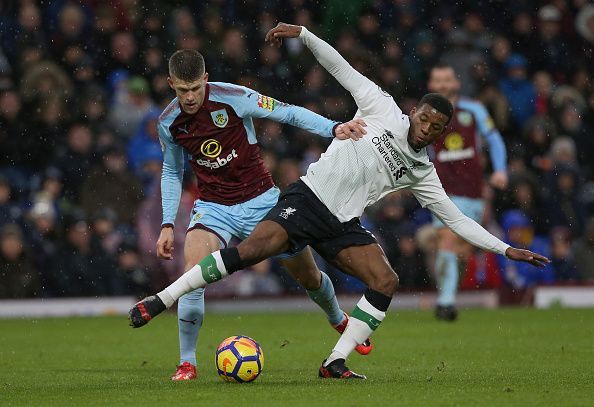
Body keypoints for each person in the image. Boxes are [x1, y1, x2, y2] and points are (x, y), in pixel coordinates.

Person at [130, 24, 549, 380]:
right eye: (424, 118)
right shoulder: (382, 108)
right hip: (306, 199)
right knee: (248, 253)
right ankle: (162, 306)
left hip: (339, 223)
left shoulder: (423, 173)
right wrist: (306, 35)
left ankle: (335, 360)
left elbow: (457, 219)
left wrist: (505, 248)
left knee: (381, 281)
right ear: (414, 111)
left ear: (440, 134)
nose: (426, 128)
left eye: (435, 127)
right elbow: (341, 68)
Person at [138, 49, 371, 381]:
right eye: (182, 90)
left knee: (308, 276)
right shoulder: (168, 122)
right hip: (213, 207)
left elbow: (287, 113)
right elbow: (172, 172)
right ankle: (187, 362)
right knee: (192, 277)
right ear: (170, 83)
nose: (189, 97)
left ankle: (337, 318)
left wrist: (333, 128)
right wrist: (166, 223)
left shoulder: (235, 97)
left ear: (205, 80)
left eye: (195, 89)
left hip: (262, 201)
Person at [426, 63, 508, 321]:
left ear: (456, 84)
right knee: (446, 241)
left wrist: (500, 170)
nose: (442, 85)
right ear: (431, 86)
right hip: (439, 190)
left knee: (459, 249)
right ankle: (446, 303)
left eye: (446, 80)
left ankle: (447, 295)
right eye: (437, 81)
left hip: (471, 191)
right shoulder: (425, 115)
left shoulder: (473, 110)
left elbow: (493, 139)